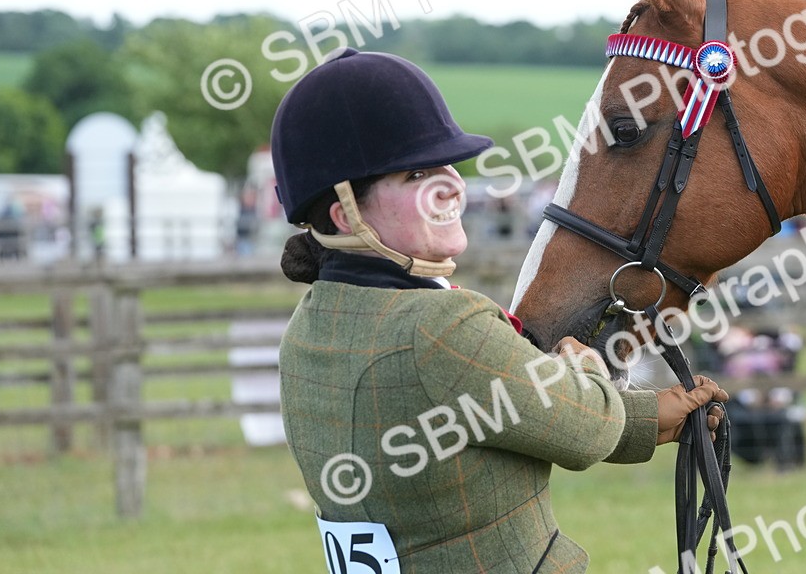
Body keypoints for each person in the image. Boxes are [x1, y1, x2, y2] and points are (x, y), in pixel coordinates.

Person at [270, 48, 727, 574]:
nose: (452, 185)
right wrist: (586, 367)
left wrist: (649, 420)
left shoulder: (310, 326)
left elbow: (507, 413)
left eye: (446, 165)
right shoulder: (442, 327)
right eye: (416, 175)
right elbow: (588, 430)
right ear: (344, 216)